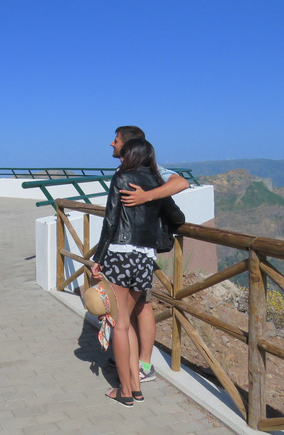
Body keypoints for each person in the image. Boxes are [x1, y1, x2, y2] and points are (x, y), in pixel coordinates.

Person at [92, 138, 185, 406]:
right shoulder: (157, 182)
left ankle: (125, 391)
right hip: (145, 258)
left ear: (130, 154)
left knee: (119, 325)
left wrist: (98, 258)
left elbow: (110, 220)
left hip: (120, 254)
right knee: (128, 321)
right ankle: (135, 386)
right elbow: (177, 218)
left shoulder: (122, 177)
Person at [112, 125, 188, 382]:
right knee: (132, 308)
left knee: (141, 306)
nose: (112, 144)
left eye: (116, 140)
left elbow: (181, 182)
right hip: (135, 249)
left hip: (139, 249)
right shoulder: (125, 170)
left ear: (129, 145)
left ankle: (143, 365)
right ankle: (131, 359)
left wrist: (147, 197)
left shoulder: (154, 170)